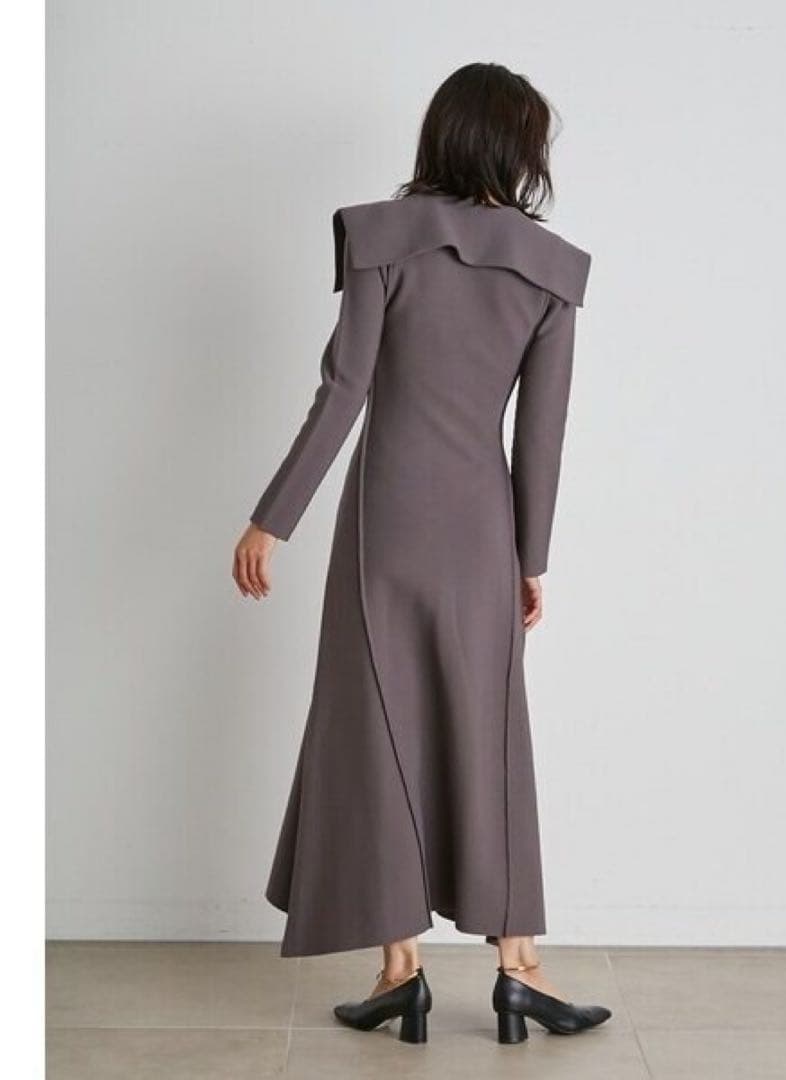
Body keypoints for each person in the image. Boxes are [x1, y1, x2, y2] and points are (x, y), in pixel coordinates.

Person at [233, 61, 611, 1045]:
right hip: (484, 527)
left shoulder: (381, 238)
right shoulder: (551, 270)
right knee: (491, 729)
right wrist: (530, 559)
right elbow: (541, 437)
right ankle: (520, 969)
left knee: (375, 727)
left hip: (386, 520)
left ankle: (401, 973)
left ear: (441, 133)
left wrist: (274, 517)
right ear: (520, 151)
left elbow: (344, 389)